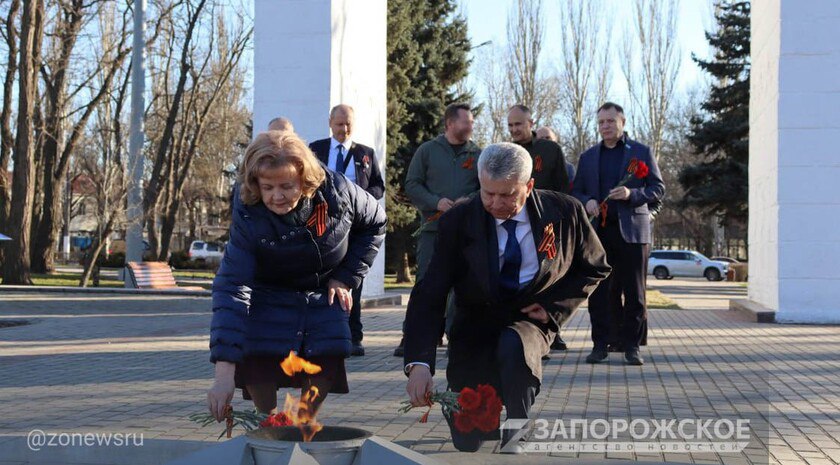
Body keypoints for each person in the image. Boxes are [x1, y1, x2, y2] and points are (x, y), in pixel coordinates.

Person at [404, 143, 611, 453]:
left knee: (515, 345)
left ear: (529, 186)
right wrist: (419, 362)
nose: (496, 203)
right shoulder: (458, 220)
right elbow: (429, 292)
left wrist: (554, 308)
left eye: (507, 195)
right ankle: (477, 412)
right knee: (469, 439)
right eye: (488, 193)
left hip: (529, 317)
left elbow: (595, 267)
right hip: (475, 323)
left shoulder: (565, 212)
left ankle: (517, 424)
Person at [206, 131, 386, 422]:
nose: (277, 196)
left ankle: (304, 423)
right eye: (267, 187)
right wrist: (223, 376)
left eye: (287, 186)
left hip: (322, 287)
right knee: (258, 354)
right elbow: (233, 287)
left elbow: (376, 222)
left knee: (327, 349)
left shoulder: (338, 191)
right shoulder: (248, 213)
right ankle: (267, 423)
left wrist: (346, 276)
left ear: (305, 180)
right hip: (268, 289)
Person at [571, 102, 665, 366]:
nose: (605, 126)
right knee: (599, 293)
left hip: (633, 233)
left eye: (611, 121)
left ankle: (632, 346)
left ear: (622, 122)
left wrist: (631, 193)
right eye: (601, 122)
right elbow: (576, 191)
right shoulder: (588, 157)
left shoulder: (641, 152)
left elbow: (657, 189)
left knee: (635, 293)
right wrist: (587, 201)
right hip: (598, 234)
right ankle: (600, 345)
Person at [393, 102, 482, 357]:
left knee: (461, 285)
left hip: (465, 231)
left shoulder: (478, 154)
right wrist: (436, 202)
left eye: (472, 122)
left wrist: (469, 200)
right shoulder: (427, 151)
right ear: (450, 123)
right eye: (466, 122)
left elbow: (486, 187)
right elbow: (412, 184)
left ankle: (457, 336)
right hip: (433, 230)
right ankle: (415, 335)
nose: (471, 126)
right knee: (426, 283)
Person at [309, 104, 385, 356]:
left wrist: (360, 198)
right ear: (330, 123)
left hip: (354, 226)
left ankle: (354, 336)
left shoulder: (366, 153)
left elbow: (378, 186)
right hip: (323, 226)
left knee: (352, 280)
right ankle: (321, 335)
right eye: (339, 124)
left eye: (348, 124)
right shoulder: (315, 149)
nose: (344, 129)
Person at [507, 105, 570, 194]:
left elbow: (563, 187)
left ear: (531, 123)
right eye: (510, 125)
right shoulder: (506, 153)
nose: (514, 129)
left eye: (518, 124)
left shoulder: (551, 149)